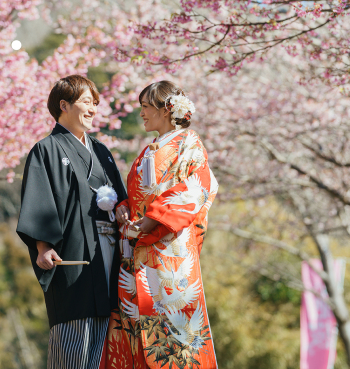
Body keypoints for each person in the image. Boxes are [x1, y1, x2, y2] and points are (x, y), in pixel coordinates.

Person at [17, 75, 127, 369]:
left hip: (107, 253)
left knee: (106, 348)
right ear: (63, 105)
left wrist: (122, 211)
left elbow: (121, 199)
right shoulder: (47, 150)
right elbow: (40, 202)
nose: (93, 110)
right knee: (73, 344)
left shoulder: (101, 151)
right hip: (74, 258)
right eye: (87, 102)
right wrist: (43, 246)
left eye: (95, 104)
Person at [106, 80, 218, 369]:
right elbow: (137, 197)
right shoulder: (148, 150)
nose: (141, 113)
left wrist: (154, 218)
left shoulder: (189, 143)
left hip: (169, 252)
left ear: (166, 109)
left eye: (145, 107)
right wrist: (123, 209)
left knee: (173, 337)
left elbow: (200, 187)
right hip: (137, 252)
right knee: (136, 332)